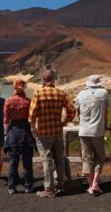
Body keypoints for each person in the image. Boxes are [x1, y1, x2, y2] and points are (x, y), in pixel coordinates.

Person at [29, 69, 76, 198]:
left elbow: (31, 114)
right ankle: (60, 184)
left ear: (43, 80)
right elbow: (72, 110)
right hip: (57, 131)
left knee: (47, 160)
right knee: (59, 159)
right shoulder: (60, 93)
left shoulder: (38, 93)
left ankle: (49, 189)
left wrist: (33, 127)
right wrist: (65, 121)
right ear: (54, 79)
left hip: (43, 133)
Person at [75, 75, 109, 195]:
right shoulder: (104, 93)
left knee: (86, 158)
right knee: (100, 157)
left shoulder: (80, 94)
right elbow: (106, 112)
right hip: (98, 131)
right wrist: (105, 126)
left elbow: (77, 112)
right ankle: (95, 183)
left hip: (83, 131)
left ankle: (90, 186)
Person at [3, 78, 35, 195]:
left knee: (13, 162)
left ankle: (11, 187)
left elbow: (6, 120)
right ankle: (28, 186)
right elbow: (32, 119)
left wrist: (5, 133)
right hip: (26, 132)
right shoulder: (28, 101)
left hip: (13, 132)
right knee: (27, 163)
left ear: (14, 87)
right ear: (24, 87)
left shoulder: (8, 101)